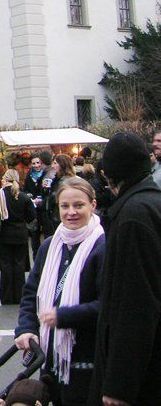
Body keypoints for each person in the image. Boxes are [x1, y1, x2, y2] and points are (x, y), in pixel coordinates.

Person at [15, 177, 105, 406]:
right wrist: (26, 328)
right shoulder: (50, 246)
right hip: (51, 362)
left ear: (93, 205)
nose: (71, 212)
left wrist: (63, 316)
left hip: (87, 363)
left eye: (79, 205)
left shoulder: (102, 247)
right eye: (65, 206)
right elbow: (31, 293)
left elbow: (107, 305)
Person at [89, 132, 161, 406]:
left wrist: (119, 385)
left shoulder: (133, 217)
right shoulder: (150, 204)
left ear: (109, 175)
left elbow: (135, 305)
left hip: (142, 376)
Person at [0, 169, 36, 304]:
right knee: (19, 264)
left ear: (6, 179)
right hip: (20, 233)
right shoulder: (24, 197)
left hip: (4, 234)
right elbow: (32, 216)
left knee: (6, 265)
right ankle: (19, 295)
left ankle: (6, 296)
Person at [23, 153, 49, 259]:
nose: (36, 165)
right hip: (34, 208)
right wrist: (30, 197)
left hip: (45, 208)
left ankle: (48, 257)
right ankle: (36, 258)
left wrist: (42, 198)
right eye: (34, 163)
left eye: (38, 163)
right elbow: (25, 190)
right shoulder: (29, 176)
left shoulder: (46, 174)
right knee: (34, 234)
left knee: (47, 233)